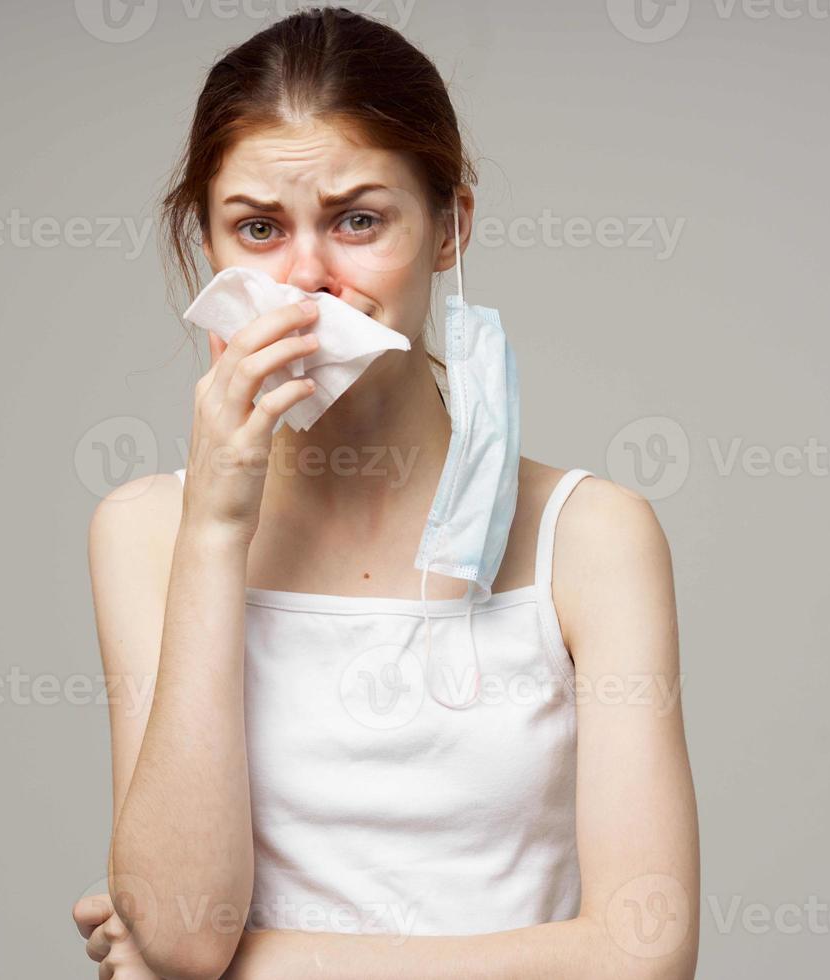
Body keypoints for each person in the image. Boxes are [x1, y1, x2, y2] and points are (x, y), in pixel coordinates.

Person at [72, 8, 699, 978]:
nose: (311, 278)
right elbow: (187, 929)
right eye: (258, 230)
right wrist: (214, 531)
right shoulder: (147, 532)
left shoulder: (593, 538)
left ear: (451, 228)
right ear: (207, 244)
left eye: (358, 219)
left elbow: (645, 950)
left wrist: (263, 965)